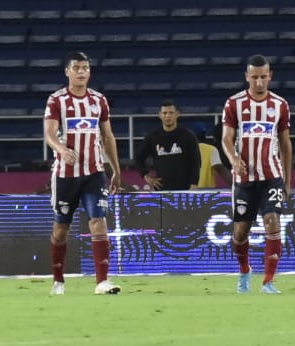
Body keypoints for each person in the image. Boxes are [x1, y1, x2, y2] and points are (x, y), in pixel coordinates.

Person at [43, 51, 123, 295]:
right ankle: (58, 280)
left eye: (85, 68)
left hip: (94, 173)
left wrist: (116, 170)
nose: (81, 72)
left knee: (98, 223)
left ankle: (102, 282)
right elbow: (49, 133)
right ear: (67, 71)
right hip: (65, 175)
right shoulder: (56, 100)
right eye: (76, 67)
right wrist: (61, 149)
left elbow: (108, 136)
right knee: (61, 230)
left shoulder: (99, 101)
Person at [221, 54, 293, 294]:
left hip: (271, 174)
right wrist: (233, 160)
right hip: (244, 179)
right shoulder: (234, 104)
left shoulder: (280, 105)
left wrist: (287, 181)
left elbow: (285, 143)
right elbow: (226, 138)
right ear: (246, 77)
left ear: (270, 76)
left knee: (272, 221)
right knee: (241, 232)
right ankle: (244, 270)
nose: (259, 82)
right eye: (254, 78)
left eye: (263, 77)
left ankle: (268, 281)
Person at [135, 99, 202, 191]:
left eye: (171, 113)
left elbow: (196, 162)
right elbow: (138, 158)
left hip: (185, 189)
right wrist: (146, 176)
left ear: (177, 114)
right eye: (164, 113)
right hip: (162, 190)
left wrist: (194, 184)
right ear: (160, 115)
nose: (167, 116)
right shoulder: (153, 137)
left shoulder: (188, 135)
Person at [192, 123, 233, 188]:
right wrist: (235, 184)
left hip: (187, 191)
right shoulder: (210, 149)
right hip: (207, 192)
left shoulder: (182, 149)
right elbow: (220, 169)